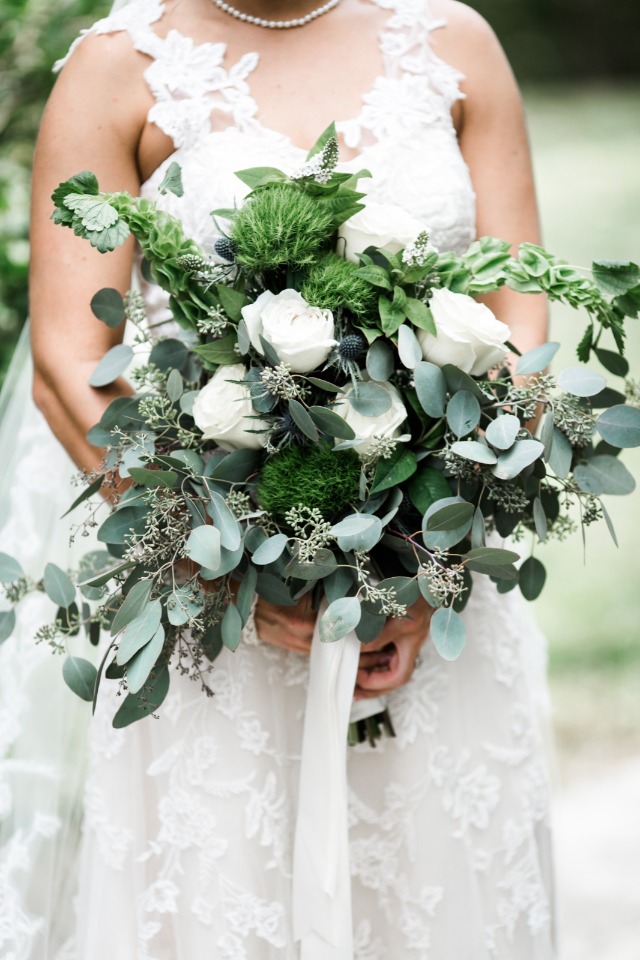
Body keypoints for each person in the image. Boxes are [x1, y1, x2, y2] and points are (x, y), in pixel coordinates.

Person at [0, 0, 555, 956]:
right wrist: (217, 563)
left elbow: (523, 325)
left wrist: (429, 569)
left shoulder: (453, 42)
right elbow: (66, 362)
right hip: (208, 616)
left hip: (431, 595)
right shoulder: (118, 65)